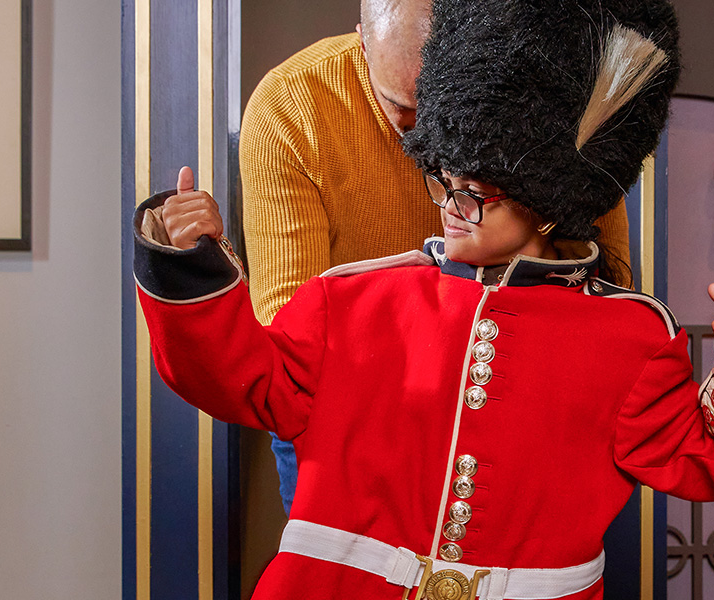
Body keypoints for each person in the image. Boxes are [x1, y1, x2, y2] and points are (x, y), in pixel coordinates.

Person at [135, 1, 714, 597]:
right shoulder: (347, 301)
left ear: (547, 207)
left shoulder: (630, 339)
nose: (449, 210)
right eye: (445, 183)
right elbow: (240, 376)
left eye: (474, 196)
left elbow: (699, 462)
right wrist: (190, 263)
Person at [239, 0, 633, 514]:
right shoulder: (291, 107)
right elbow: (287, 333)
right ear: (362, 41)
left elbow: (607, 272)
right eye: (405, 111)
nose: (433, 143)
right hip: (348, 403)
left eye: (449, 102)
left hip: (515, 395)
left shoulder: (540, 83)